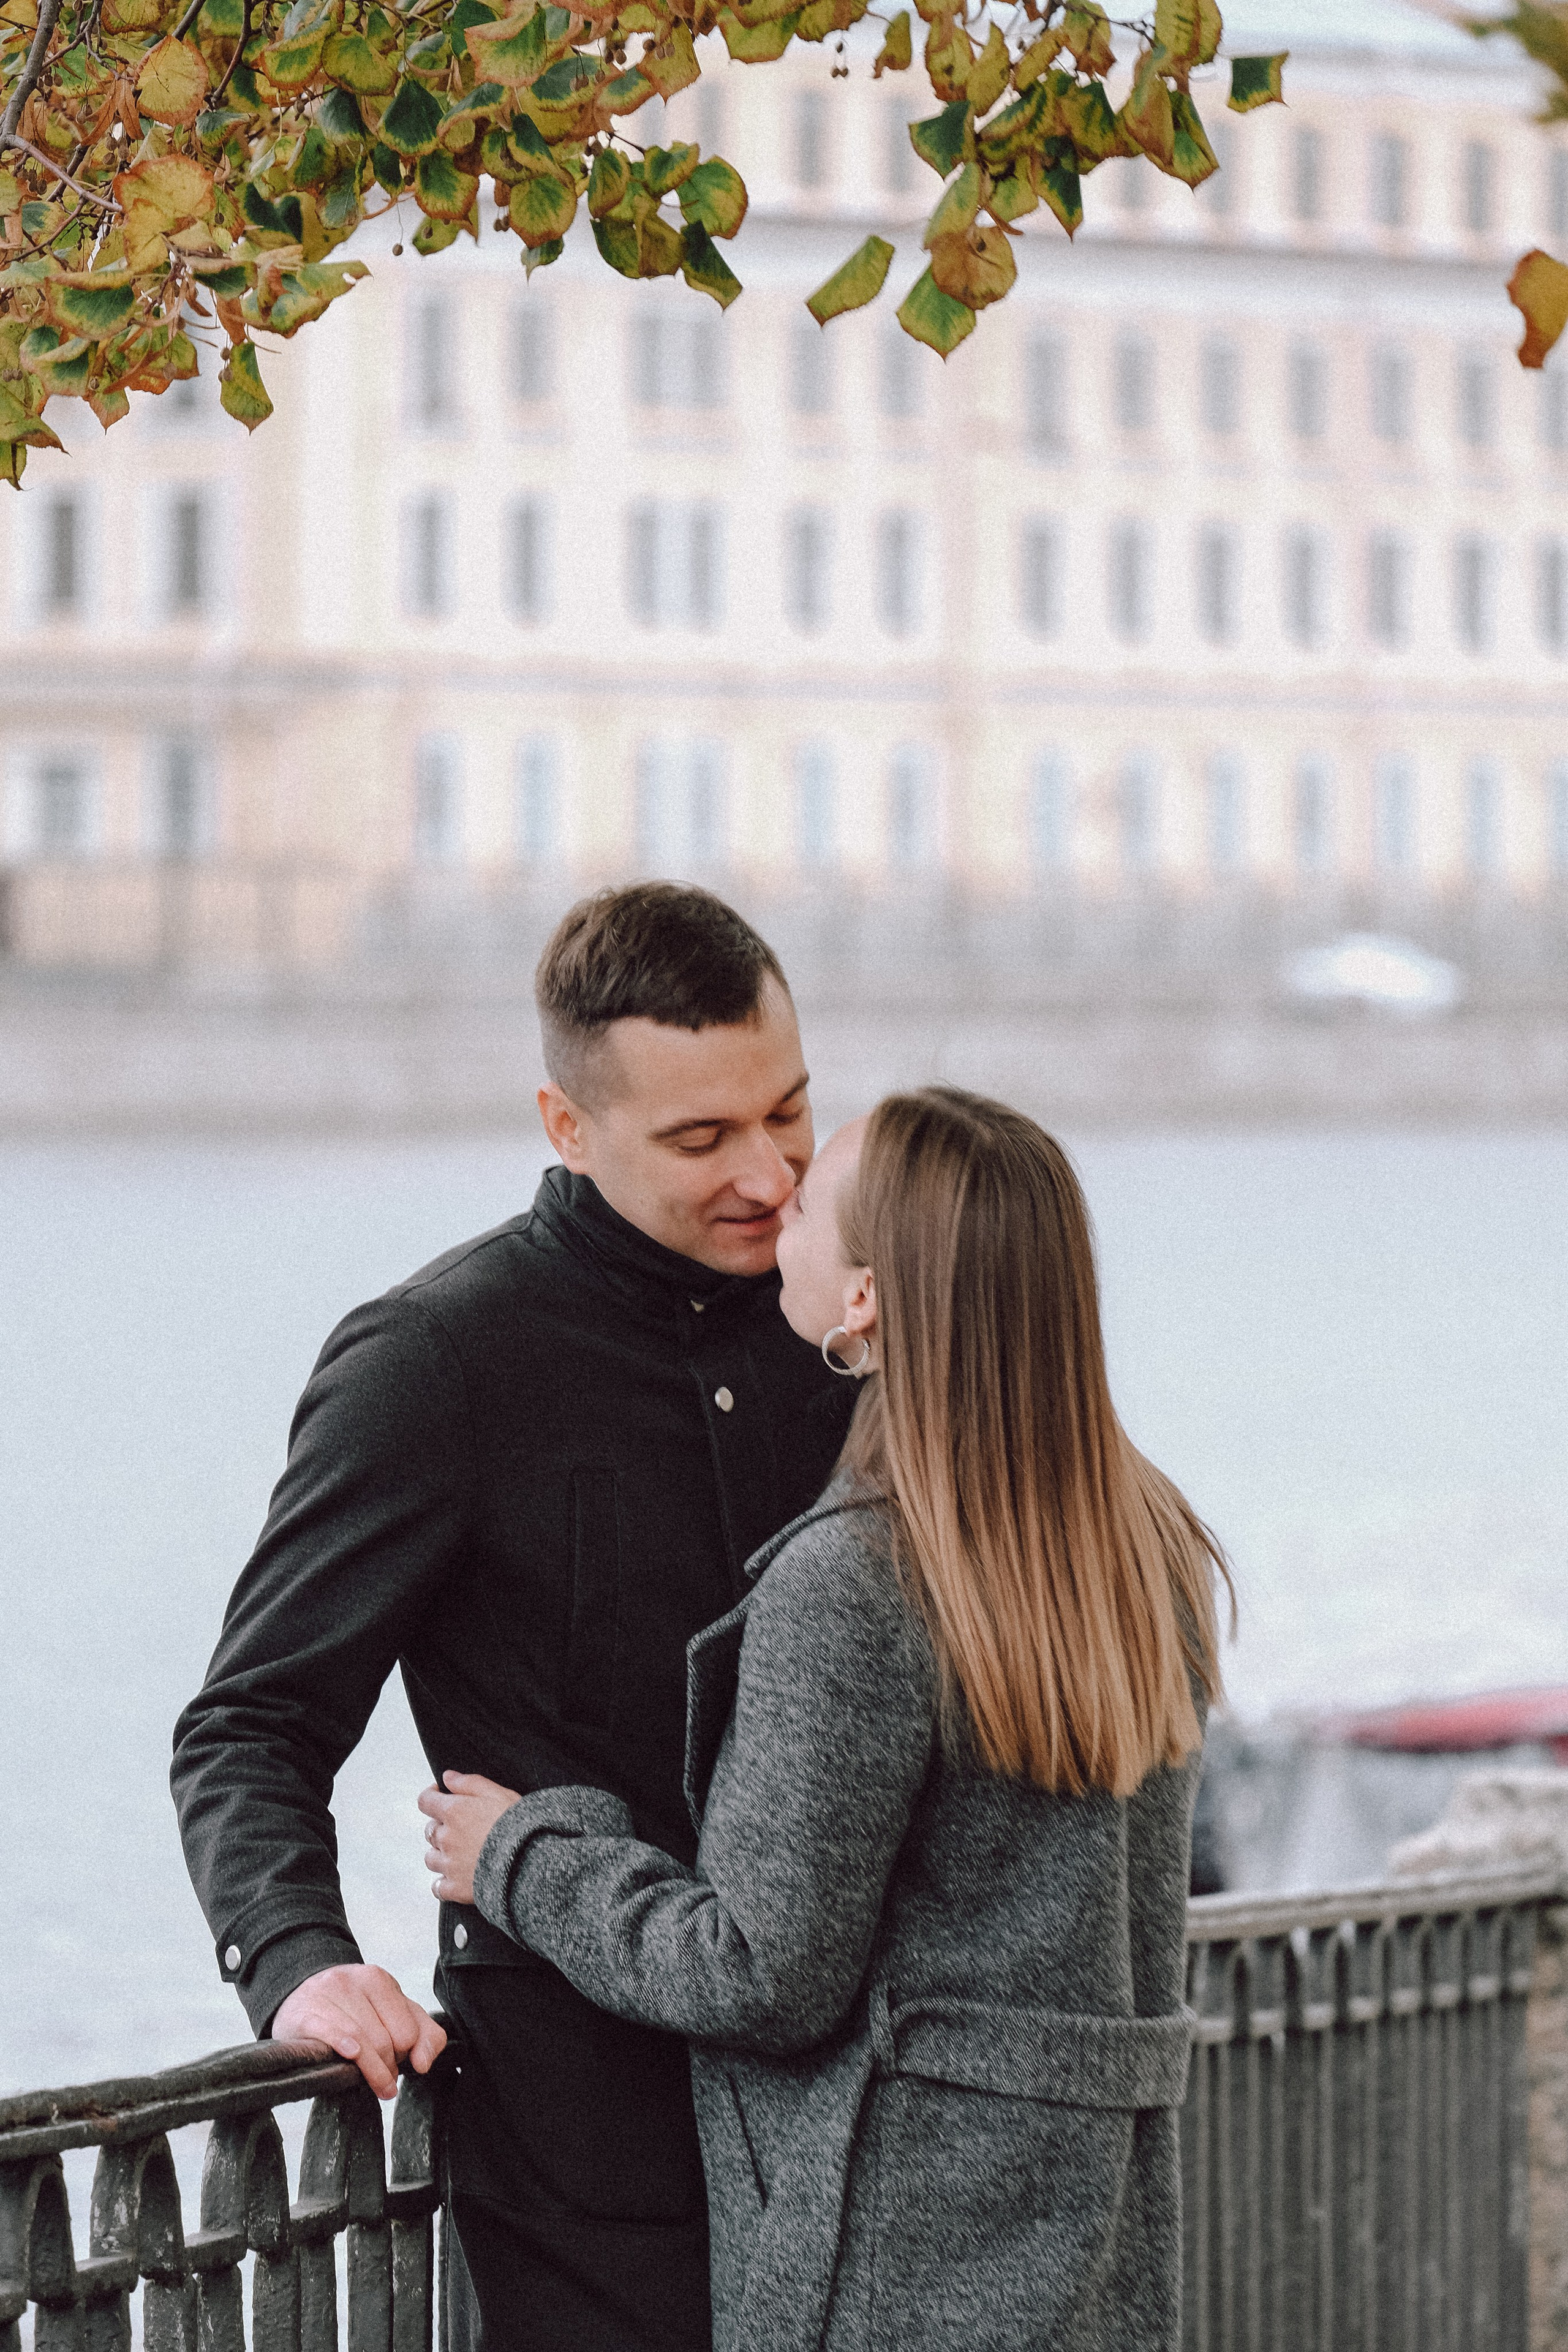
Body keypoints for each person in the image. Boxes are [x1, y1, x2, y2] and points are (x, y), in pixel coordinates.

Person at [421, 1087, 1232, 2352]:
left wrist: (523, 1857)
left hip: (893, 2273)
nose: (771, 1209)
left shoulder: (857, 1580)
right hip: (1092, 2256)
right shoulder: (1149, 1546)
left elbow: (763, 1973)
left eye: (802, 1204)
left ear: (861, 1298)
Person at [171, 883, 858, 2352]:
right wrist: (297, 1959)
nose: (768, 1172)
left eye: (788, 1112)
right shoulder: (435, 1360)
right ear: (566, 1125)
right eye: (700, 1139)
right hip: (582, 2160)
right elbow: (253, 1723)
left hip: (863, 2132)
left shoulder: (857, 1325)